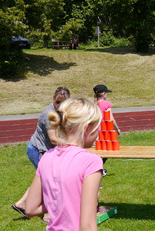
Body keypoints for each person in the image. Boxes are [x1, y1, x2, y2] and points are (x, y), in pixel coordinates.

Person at [25, 97, 105, 230]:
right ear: (86, 129)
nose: (98, 133)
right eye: (97, 128)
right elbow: (88, 226)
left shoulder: (46, 157)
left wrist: (65, 201)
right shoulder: (91, 161)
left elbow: (30, 208)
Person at [12, 87, 70, 219]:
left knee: (43, 179)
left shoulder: (60, 112)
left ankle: (21, 203)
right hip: (37, 150)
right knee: (48, 180)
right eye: (57, 102)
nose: (59, 105)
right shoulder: (48, 114)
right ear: (53, 99)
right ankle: (47, 215)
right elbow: (54, 139)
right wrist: (71, 144)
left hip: (45, 151)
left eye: (63, 103)